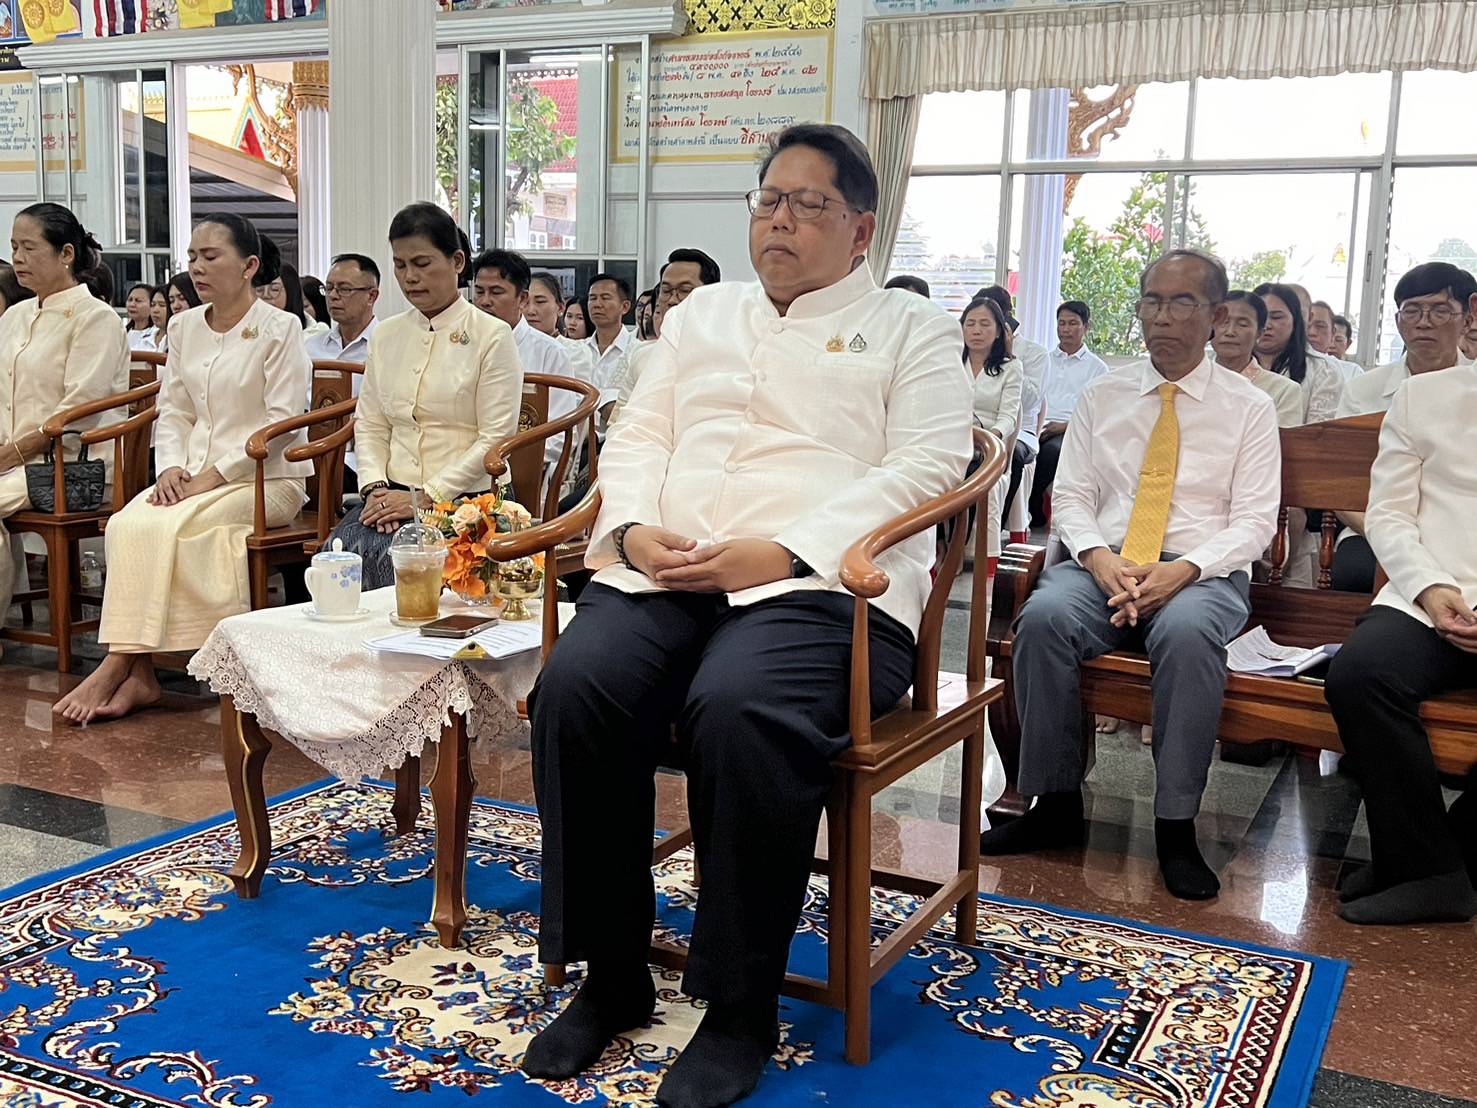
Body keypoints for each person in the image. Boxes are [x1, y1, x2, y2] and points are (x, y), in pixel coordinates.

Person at [522, 123, 971, 1107]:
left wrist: (788, 548)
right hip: (670, 566)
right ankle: (613, 975)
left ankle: (738, 1007)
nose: (780, 220)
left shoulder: (910, 326)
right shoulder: (702, 314)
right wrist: (631, 529)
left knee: (739, 708)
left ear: (860, 229)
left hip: (825, 587)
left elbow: (932, 462)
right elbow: (639, 430)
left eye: (808, 204)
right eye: (769, 200)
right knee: (575, 691)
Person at [979, 249, 1280, 902]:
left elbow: (1255, 522)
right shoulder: (1104, 394)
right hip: (1104, 563)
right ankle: (1054, 804)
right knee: (1044, 618)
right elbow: (1073, 495)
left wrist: (1183, 570)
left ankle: (1175, 826)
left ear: (1216, 315)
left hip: (1201, 573)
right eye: (1151, 301)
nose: (1162, 317)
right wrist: (1097, 558)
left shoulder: (1248, 408)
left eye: (1181, 303)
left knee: (1187, 636)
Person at [54, 215, 310, 724]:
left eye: (211, 257)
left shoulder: (280, 328)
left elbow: (283, 421)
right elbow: (174, 410)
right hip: (190, 476)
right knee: (128, 523)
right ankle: (141, 676)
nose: (197, 267)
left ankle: (119, 663)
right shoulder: (184, 327)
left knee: (176, 527)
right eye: (192, 257)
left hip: (267, 480)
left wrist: (216, 475)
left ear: (249, 266)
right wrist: (170, 467)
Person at [1324, 359, 1477, 925]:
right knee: (1359, 675)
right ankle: (1427, 867)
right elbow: (1387, 514)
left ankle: (1441, 858)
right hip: (1431, 590)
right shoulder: (1423, 396)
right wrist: (1431, 587)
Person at [326, 203, 523, 590]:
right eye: (400, 265)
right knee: (338, 558)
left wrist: (426, 497)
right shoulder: (387, 334)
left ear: (457, 262)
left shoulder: (492, 335)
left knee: (403, 563)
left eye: (421, 263)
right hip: (390, 495)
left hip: (467, 499)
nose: (410, 277)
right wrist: (374, 488)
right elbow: (371, 423)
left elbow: (496, 437)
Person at [0, 203, 130, 622]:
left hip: (68, 467)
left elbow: (76, 411)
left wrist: (10, 455)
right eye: (13, 247)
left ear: (66, 254)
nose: (18, 258)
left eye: (29, 248)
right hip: (13, 462)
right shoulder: (15, 316)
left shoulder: (96, 318)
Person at [1331, 263, 1476, 593]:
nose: (1424, 322)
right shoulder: (1363, 390)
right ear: (1397, 321)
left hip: (1463, 535)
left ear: (1468, 319)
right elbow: (1341, 488)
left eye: (1440, 310)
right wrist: (1394, 536)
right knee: (1354, 570)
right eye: (1412, 311)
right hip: (1373, 525)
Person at [470, 247, 575, 474]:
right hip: (460, 465)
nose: (484, 301)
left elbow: (560, 433)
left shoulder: (549, 353)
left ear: (523, 299)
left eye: (496, 292)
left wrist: (504, 460)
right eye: (479, 292)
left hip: (520, 471)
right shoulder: (461, 345)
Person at [612, 248, 722, 415]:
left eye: (684, 290)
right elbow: (619, 418)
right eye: (666, 291)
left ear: (712, 295)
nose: (672, 300)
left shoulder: (730, 354)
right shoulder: (643, 355)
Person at [1029, 300, 1108, 529]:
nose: (1065, 329)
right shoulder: (1044, 360)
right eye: (1061, 323)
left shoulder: (1097, 368)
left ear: (1086, 327)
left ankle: (1033, 509)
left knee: (1050, 452)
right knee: (1021, 450)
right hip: (1037, 424)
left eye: (1073, 323)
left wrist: (1063, 426)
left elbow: (1098, 413)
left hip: (1071, 429)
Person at [978, 285, 1048, 534]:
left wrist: (1007, 356)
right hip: (976, 427)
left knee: (1013, 455)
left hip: (1021, 432)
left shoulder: (1035, 354)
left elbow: (1031, 402)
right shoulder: (970, 351)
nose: (979, 329)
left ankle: (993, 528)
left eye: (987, 321)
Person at [960, 295, 1022, 573]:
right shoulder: (950, 362)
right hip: (950, 441)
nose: (976, 330)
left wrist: (992, 436)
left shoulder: (1010, 368)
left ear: (998, 331)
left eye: (985, 324)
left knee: (975, 477)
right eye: (970, 323)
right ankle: (940, 549)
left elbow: (1009, 415)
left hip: (987, 447)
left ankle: (964, 553)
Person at [1252, 283, 1343, 423]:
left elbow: (1319, 430)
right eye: (1260, 317)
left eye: (1276, 317)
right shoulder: (1227, 363)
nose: (1266, 325)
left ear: (1295, 321)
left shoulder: (1324, 370)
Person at [1212, 290, 1303, 427]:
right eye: (1223, 322)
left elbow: (1282, 439)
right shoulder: (1191, 378)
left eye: (1242, 324)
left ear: (1260, 332)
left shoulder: (1283, 390)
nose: (1230, 332)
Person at [586, 273, 634, 417]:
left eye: (605, 298)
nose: (597, 304)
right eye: (592, 298)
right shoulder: (576, 350)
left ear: (624, 307)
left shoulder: (637, 351)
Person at [1307, 297, 1362, 381]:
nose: (1312, 332)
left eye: (1320, 326)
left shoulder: (1353, 371)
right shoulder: (1290, 365)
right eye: (1307, 326)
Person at [258, 262, 306, 330]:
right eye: (259, 289)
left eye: (274, 289)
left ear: (291, 291)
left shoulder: (313, 333)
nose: (265, 295)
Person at [124, 283, 158, 351]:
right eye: (130, 300)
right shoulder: (122, 332)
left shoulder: (157, 334)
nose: (132, 304)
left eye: (138, 301)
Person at [148, 287, 171, 352]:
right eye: (152, 305)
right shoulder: (144, 338)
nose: (155, 310)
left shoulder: (179, 339)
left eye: (162, 305)